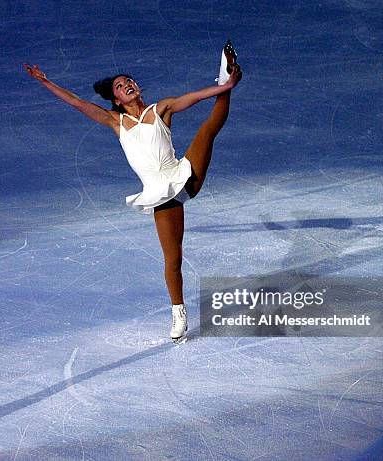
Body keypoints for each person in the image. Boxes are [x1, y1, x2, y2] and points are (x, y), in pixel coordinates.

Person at [24, 41, 242, 343]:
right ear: (115, 98)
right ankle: (178, 311)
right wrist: (47, 82)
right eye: (120, 85)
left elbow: (191, 98)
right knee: (173, 259)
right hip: (160, 194)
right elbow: (77, 103)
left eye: (129, 81)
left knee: (207, 131)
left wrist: (222, 86)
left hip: (183, 174)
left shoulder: (161, 108)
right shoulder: (116, 121)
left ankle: (226, 80)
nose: (127, 85)